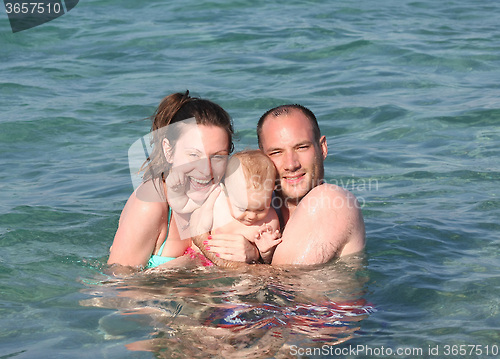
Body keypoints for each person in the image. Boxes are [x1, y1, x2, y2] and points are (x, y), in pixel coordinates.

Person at [195, 104, 365, 266]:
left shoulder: (329, 200)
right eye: (276, 152)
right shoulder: (259, 208)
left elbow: (287, 285)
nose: (291, 164)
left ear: (322, 148)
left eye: (301, 147)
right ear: (262, 159)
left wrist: (248, 255)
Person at [107, 91, 258, 273]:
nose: (206, 170)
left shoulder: (228, 195)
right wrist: (191, 262)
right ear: (168, 150)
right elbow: (115, 286)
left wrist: (253, 253)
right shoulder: (151, 205)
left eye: (217, 157)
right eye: (194, 155)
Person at [209, 150, 281, 264]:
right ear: (225, 192)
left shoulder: (269, 222)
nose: (252, 216)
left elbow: (269, 260)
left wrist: (265, 252)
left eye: (261, 209)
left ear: (272, 193)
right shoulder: (216, 203)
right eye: (243, 208)